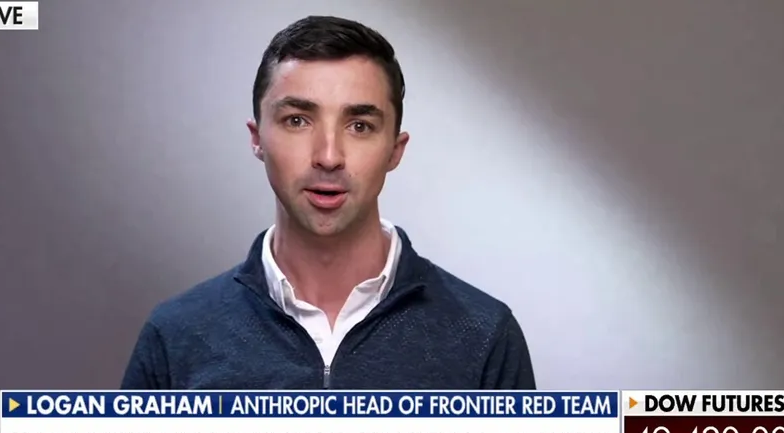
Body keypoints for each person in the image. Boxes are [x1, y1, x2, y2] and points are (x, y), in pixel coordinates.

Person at [121, 15, 535, 390]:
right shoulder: (174, 337)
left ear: (395, 150)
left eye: (360, 126)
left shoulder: (485, 335)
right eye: (297, 120)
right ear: (257, 139)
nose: (329, 156)